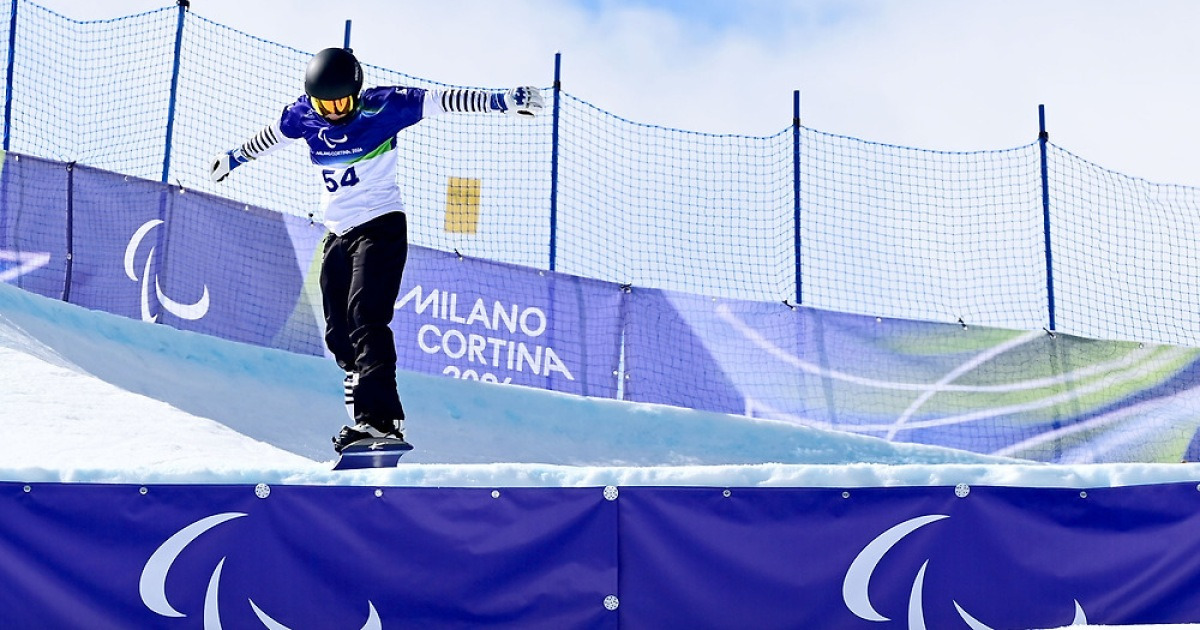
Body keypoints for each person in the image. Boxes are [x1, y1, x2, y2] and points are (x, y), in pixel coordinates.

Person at [209, 47, 544, 454]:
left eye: (341, 102)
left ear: (357, 93)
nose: (333, 111)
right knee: (338, 334)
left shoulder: (384, 107)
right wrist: (234, 158)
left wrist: (503, 102)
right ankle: (360, 413)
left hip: (380, 225)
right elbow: (273, 137)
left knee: (366, 315)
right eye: (325, 104)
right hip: (337, 233)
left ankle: (381, 421)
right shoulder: (303, 116)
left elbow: (444, 100)